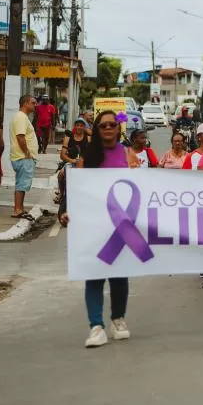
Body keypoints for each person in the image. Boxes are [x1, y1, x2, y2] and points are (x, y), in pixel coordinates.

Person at [61, 110, 136, 348]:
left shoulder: (127, 153)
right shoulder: (88, 156)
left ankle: (118, 319)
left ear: (118, 128)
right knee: (93, 275)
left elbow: (140, 186)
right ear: (98, 129)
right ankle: (96, 326)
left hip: (120, 224)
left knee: (119, 274)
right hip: (93, 224)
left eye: (112, 125)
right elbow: (76, 187)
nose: (107, 129)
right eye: (103, 125)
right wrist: (64, 210)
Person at [9, 95, 39, 221]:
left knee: (21, 183)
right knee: (22, 184)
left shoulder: (22, 117)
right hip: (23, 156)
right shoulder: (21, 117)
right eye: (33, 102)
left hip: (22, 156)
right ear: (25, 103)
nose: (35, 105)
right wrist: (26, 152)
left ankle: (20, 208)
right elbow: (20, 137)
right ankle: (17, 210)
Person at [56, 118, 89, 223]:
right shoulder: (68, 138)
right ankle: (61, 194)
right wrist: (73, 160)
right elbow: (62, 155)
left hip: (84, 164)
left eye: (81, 125)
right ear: (75, 127)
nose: (79, 127)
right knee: (60, 175)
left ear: (84, 127)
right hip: (71, 162)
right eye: (77, 125)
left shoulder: (88, 138)